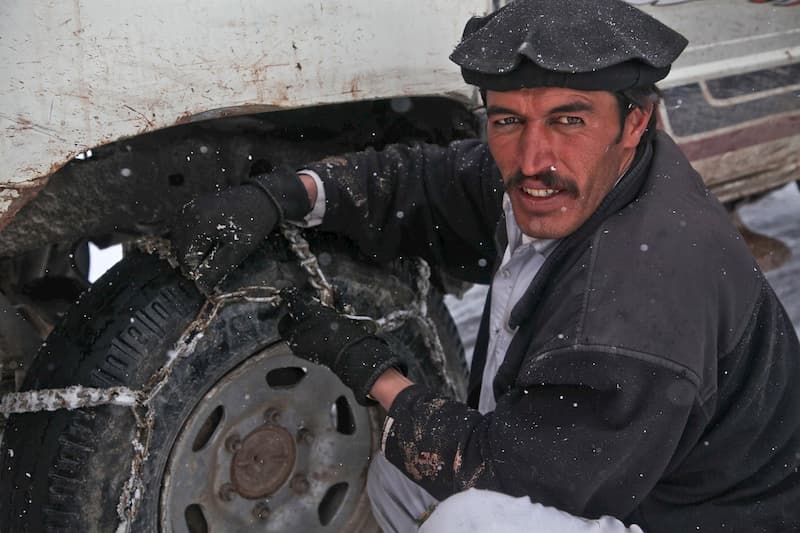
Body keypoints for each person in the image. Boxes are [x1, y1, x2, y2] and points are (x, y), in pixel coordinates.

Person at [171, 0, 800, 531]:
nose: (532, 159)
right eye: (507, 120)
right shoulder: (599, 176)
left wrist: (373, 372)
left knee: (472, 519)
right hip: (617, 470)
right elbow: (424, 180)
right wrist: (285, 195)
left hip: (700, 520)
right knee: (404, 465)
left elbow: (507, 474)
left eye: (568, 119)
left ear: (635, 121)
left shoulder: (630, 308)